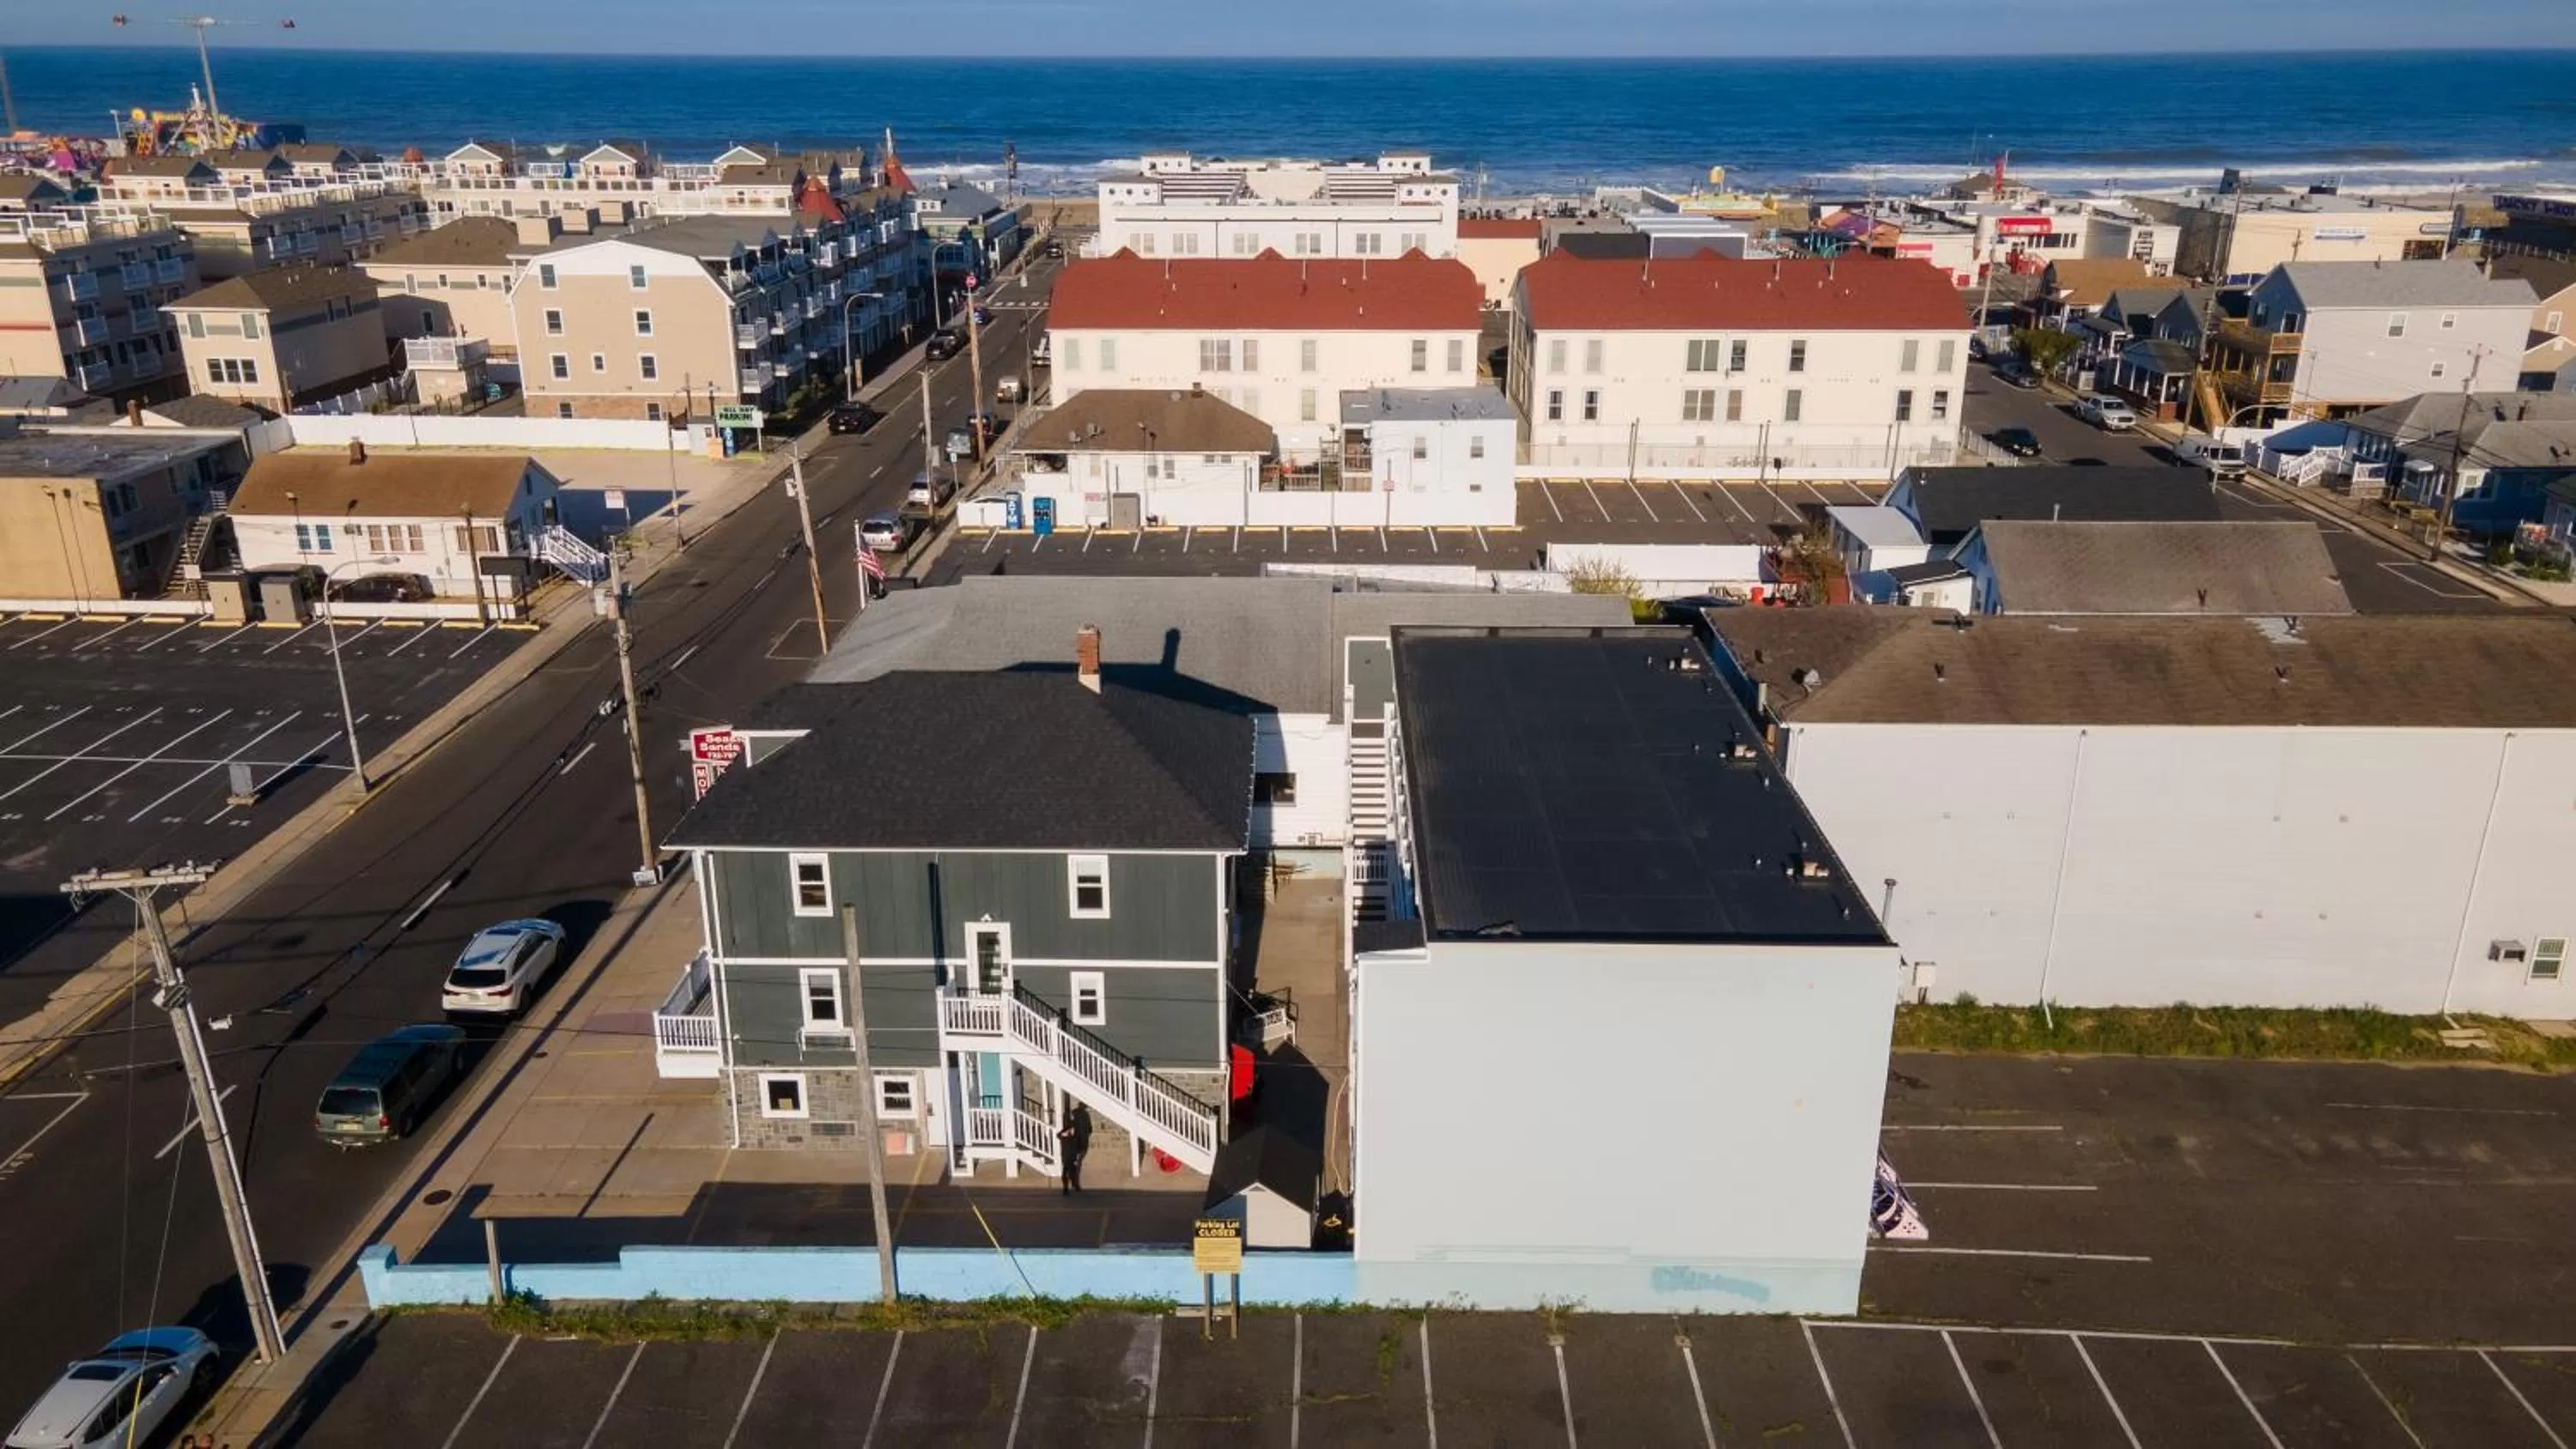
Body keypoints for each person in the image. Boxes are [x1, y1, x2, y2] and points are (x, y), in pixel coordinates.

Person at [1057, 1102, 1093, 1195]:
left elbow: (1089, 1129)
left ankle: (1072, 1183)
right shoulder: (1084, 1115)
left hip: (1073, 1144)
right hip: (1078, 1144)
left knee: (1070, 1166)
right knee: (1074, 1165)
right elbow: (1089, 1129)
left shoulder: (1076, 1115)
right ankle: (1074, 1183)